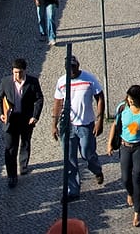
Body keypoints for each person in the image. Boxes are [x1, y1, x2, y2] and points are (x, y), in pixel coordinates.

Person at [106, 85, 140, 229]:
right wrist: (109, 144)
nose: (130, 101)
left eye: (132, 99)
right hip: (125, 146)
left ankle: (138, 212)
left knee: (137, 177)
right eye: (129, 98)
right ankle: (130, 193)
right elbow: (115, 125)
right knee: (125, 178)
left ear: (138, 99)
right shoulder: (123, 108)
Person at [52, 55, 105, 201]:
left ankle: (96, 169)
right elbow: (57, 103)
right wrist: (54, 124)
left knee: (87, 152)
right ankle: (73, 190)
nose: (71, 71)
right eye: (68, 68)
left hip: (86, 124)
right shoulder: (62, 82)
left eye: (73, 67)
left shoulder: (89, 78)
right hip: (67, 126)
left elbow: (100, 97)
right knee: (69, 158)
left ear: (78, 65)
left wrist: (100, 120)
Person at [0, 57, 44, 187]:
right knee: (10, 148)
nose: (17, 75)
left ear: (25, 71)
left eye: (20, 72)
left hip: (26, 119)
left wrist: (35, 116)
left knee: (25, 142)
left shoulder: (32, 82)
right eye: (15, 72)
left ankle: (23, 166)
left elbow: (39, 99)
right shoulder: (5, 82)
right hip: (11, 120)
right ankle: (11, 175)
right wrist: (1, 114)